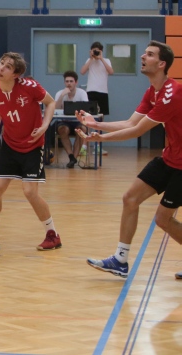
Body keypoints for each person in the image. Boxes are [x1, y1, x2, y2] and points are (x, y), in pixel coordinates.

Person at [80, 41, 182, 279]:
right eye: (144, 53)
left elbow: (137, 131)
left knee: (163, 219)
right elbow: (130, 122)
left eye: (149, 54)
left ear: (162, 64)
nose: (143, 57)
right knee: (130, 198)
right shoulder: (152, 92)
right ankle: (120, 260)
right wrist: (97, 125)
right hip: (170, 157)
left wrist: (101, 139)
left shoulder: (171, 94)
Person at [0, 52, 60, 251]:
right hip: (10, 146)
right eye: (1, 63)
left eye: (8, 67)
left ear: (15, 74)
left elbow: (50, 102)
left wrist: (45, 126)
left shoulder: (29, 86)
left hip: (32, 146)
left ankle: (52, 234)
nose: (1, 68)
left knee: (30, 192)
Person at [53, 71, 88, 168]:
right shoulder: (59, 93)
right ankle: (71, 156)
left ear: (76, 82)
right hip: (64, 121)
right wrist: (62, 96)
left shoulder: (82, 93)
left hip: (78, 121)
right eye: (67, 81)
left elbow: (86, 109)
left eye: (71, 81)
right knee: (62, 130)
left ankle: (74, 159)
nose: (69, 83)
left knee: (81, 130)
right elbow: (55, 108)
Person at [81, 41, 113, 116]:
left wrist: (101, 58)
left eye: (97, 51)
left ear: (101, 51)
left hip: (103, 91)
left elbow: (111, 72)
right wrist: (91, 58)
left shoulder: (106, 61)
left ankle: (100, 124)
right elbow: (82, 72)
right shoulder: (89, 61)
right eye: (94, 51)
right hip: (91, 90)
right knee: (89, 113)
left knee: (102, 113)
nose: (95, 53)